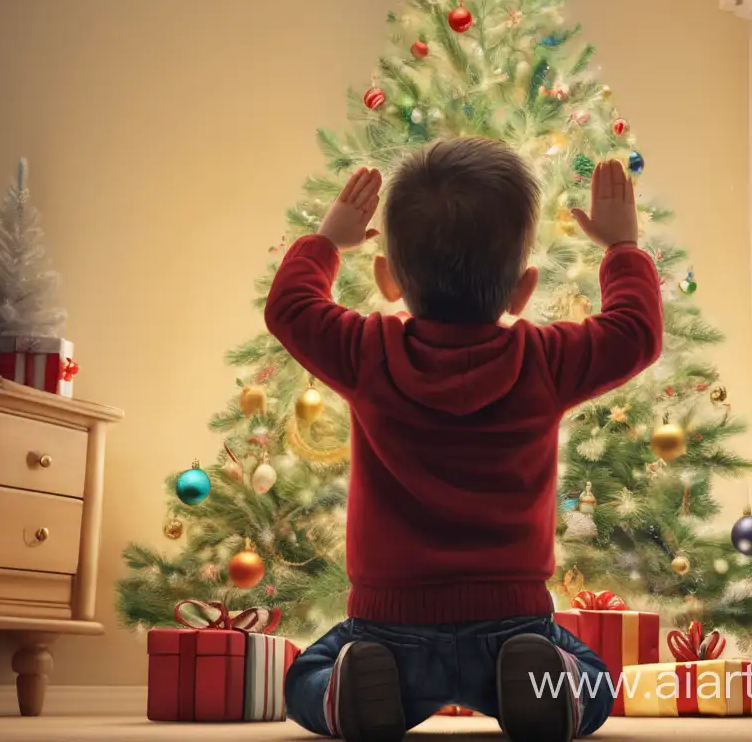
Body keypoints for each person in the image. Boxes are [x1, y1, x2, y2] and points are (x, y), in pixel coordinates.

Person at [266, 138, 662, 742]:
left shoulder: (366, 352)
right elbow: (635, 331)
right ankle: (545, 691)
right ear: (522, 290)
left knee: (306, 677)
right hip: (514, 626)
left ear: (390, 279)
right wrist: (623, 247)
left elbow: (291, 306)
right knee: (592, 679)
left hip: (387, 626)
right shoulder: (545, 361)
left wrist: (326, 241)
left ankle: (352, 696)